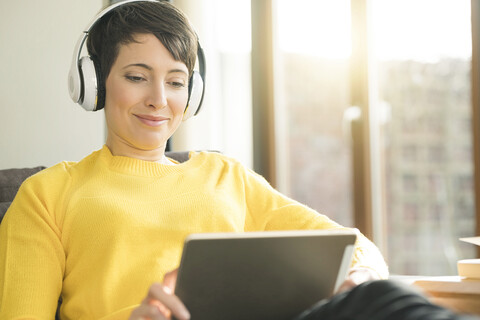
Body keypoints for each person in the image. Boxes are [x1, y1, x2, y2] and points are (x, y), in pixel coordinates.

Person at [1, 0, 395, 319]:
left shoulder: (227, 176)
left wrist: (361, 278)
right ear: (95, 82)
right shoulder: (47, 194)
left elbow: (355, 247)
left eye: (175, 82)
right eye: (137, 77)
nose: (159, 99)